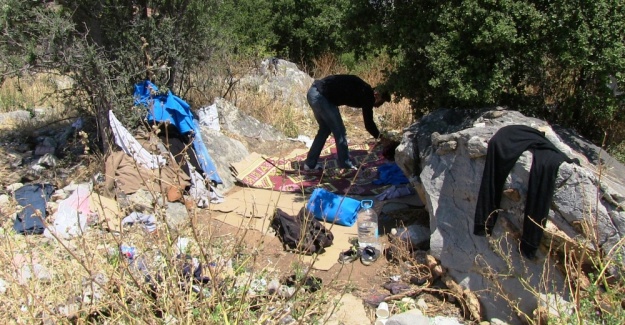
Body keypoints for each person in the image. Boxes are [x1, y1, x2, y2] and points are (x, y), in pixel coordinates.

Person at [304, 74, 391, 171]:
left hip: (313, 92)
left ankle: (310, 164)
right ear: (377, 95)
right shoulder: (368, 95)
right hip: (321, 97)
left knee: (325, 129)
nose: (378, 106)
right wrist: (382, 138)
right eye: (381, 102)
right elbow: (369, 124)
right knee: (340, 132)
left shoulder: (364, 89)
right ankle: (346, 166)